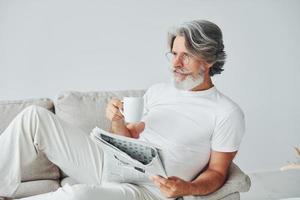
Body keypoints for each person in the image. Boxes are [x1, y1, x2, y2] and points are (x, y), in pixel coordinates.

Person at [0, 19, 245, 200]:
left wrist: (186, 188)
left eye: (186, 56)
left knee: (76, 196)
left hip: (148, 189)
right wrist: (117, 121)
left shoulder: (226, 112)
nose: (175, 64)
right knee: (34, 117)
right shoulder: (158, 91)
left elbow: (217, 172)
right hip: (112, 164)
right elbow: (127, 137)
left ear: (210, 60)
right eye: (173, 54)